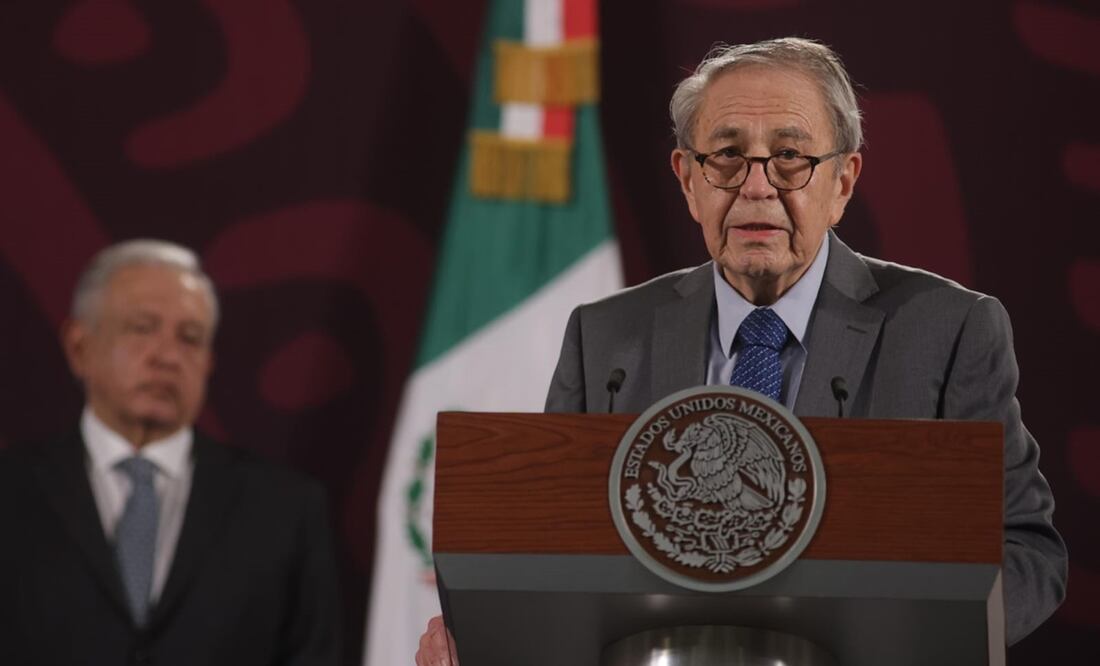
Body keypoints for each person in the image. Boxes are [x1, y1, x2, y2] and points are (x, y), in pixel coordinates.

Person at [415, 37, 1067, 664]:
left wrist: (915, 642)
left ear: (842, 181)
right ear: (688, 178)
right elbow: (548, 556)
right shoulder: (606, 337)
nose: (757, 187)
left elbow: (1027, 552)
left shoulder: (949, 331)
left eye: (790, 156)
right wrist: (482, 639)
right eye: (726, 156)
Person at [0, 240, 341, 665]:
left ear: (208, 363)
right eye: (142, 328)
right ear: (79, 347)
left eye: (190, 337)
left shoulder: (286, 510)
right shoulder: (10, 492)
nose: (167, 356)